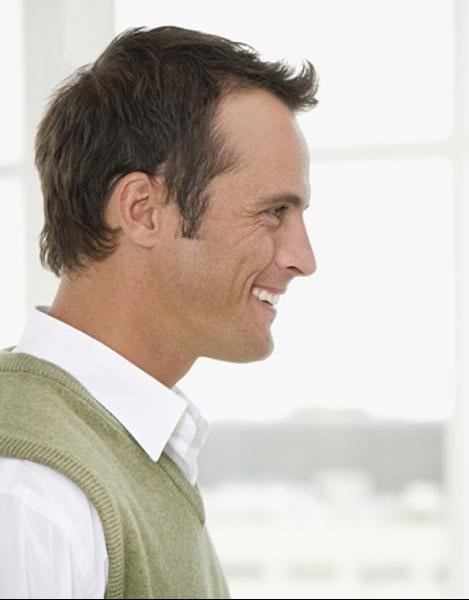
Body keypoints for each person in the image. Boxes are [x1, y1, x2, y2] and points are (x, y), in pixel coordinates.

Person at [0, 26, 318, 598]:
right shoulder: (33, 494)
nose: (303, 258)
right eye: (274, 212)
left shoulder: (123, 454)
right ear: (143, 210)